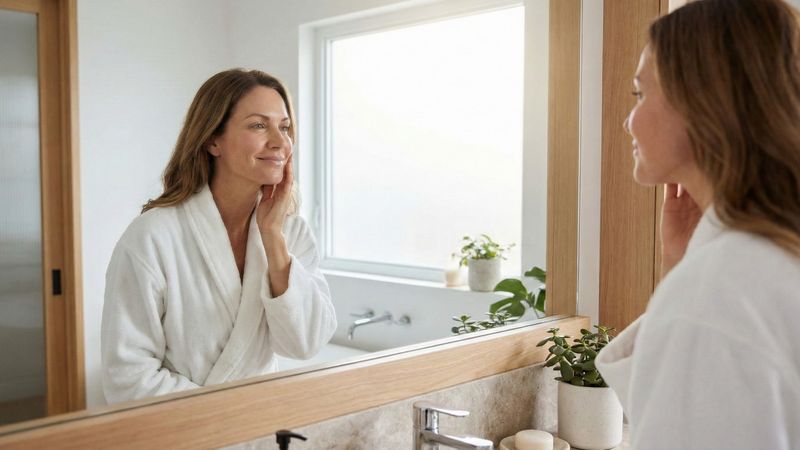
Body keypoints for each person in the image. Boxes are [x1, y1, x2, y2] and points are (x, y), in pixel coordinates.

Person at [595, 0, 800, 448]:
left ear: (701, 101)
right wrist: (682, 267)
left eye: (640, 94)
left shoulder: (719, 293)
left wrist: (694, 280)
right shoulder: (767, 259)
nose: (629, 121)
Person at [101, 69, 337, 404]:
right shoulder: (152, 237)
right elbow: (126, 378)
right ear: (213, 140)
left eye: (284, 127)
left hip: (259, 435)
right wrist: (223, 417)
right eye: (258, 125)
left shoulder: (290, 231)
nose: (280, 142)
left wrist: (272, 236)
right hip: (182, 436)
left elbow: (305, 343)